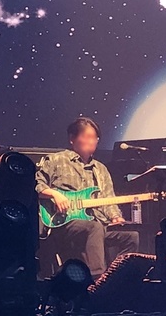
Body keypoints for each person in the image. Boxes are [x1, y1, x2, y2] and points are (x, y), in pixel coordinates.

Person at [36, 117, 139, 277]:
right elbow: (37, 185)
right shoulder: (56, 160)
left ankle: (117, 277)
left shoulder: (101, 169)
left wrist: (116, 217)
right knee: (94, 228)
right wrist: (55, 194)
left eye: (95, 138)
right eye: (87, 136)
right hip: (64, 222)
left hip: (96, 224)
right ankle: (96, 278)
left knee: (131, 237)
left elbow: (108, 199)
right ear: (72, 139)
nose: (92, 141)